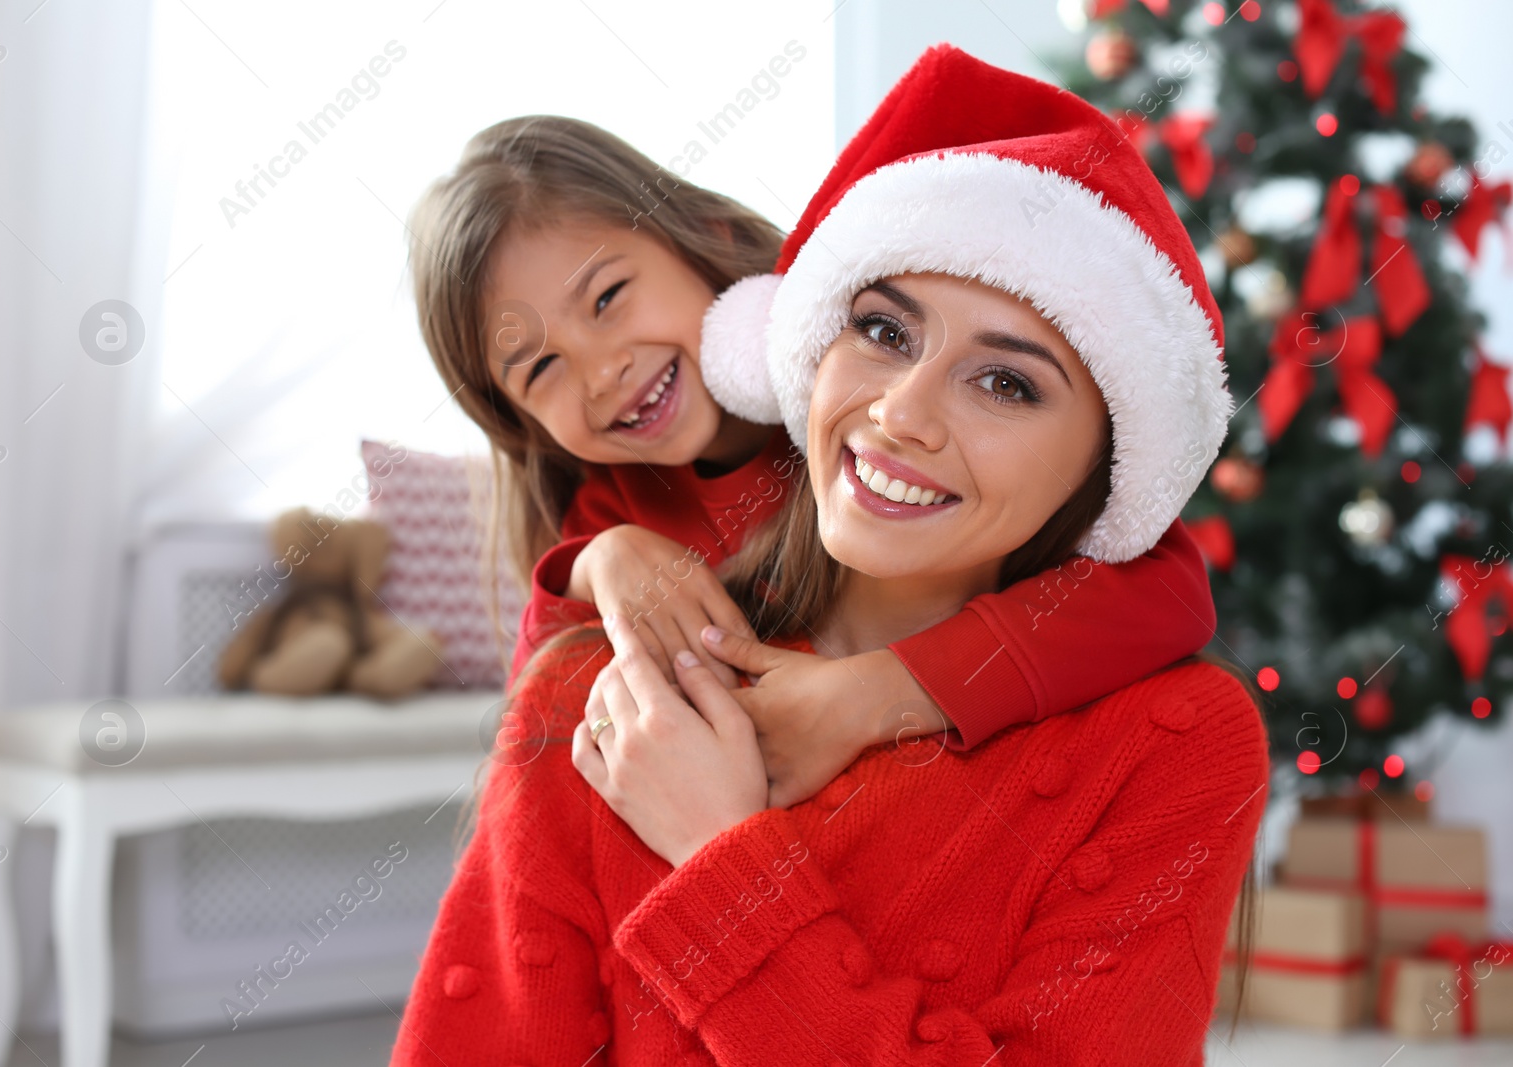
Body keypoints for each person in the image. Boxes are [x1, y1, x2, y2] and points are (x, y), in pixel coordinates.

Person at [392, 47, 1267, 1066]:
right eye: (884, 330)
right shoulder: (601, 678)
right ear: (810, 346)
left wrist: (735, 847)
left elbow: (1159, 592)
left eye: (1008, 385)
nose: (899, 412)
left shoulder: (1174, 744)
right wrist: (597, 568)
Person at [408, 110, 1216, 807]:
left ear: (707, 239)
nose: (600, 368)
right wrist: (597, 565)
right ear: (518, 423)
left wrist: (887, 691)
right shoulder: (613, 518)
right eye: (541, 368)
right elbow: (542, 720)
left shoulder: (859, 414)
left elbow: (1165, 593)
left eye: (608, 297)